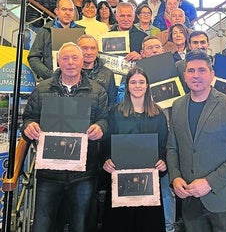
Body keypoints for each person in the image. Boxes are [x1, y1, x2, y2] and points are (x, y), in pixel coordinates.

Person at [22, 42, 109, 232]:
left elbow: (105, 120)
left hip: (84, 172)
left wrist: (100, 128)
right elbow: (28, 118)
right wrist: (29, 126)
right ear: (58, 61)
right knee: (43, 225)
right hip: (49, 172)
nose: (70, 62)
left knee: (81, 225)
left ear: (82, 61)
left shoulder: (97, 91)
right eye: (65, 58)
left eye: (74, 58)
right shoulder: (41, 89)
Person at [166, 49, 226, 232]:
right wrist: (175, 177)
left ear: (212, 75)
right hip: (190, 202)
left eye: (202, 70)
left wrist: (209, 182)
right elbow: (172, 148)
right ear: (185, 75)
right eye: (191, 70)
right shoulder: (178, 105)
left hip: (224, 201)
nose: (196, 75)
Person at [116, 36, 177, 232]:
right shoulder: (132, 77)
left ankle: (168, 227)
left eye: (157, 47)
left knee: (165, 192)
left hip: (164, 142)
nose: (154, 50)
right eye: (149, 47)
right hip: (133, 150)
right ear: (142, 52)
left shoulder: (173, 71)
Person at [101, 66, 168, 232]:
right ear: (127, 85)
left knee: (148, 225)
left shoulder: (158, 113)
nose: (137, 86)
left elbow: (164, 144)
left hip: (149, 183)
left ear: (147, 85)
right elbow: (106, 143)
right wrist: (105, 160)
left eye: (141, 82)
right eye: (133, 82)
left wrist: (163, 162)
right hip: (120, 181)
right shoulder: (114, 112)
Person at [27, 0, 85, 80]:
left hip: (76, 81)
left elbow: (85, 57)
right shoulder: (45, 31)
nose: (68, 13)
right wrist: (49, 74)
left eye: (71, 10)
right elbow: (33, 57)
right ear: (57, 11)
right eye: (64, 9)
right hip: (51, 81)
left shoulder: (81, 32)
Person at [77, 34, 117, 107]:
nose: (89, 52)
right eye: (85, 48)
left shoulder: (108, 74)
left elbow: (112, 104)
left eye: (93, 48)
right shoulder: (69, 72)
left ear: (97, 51)